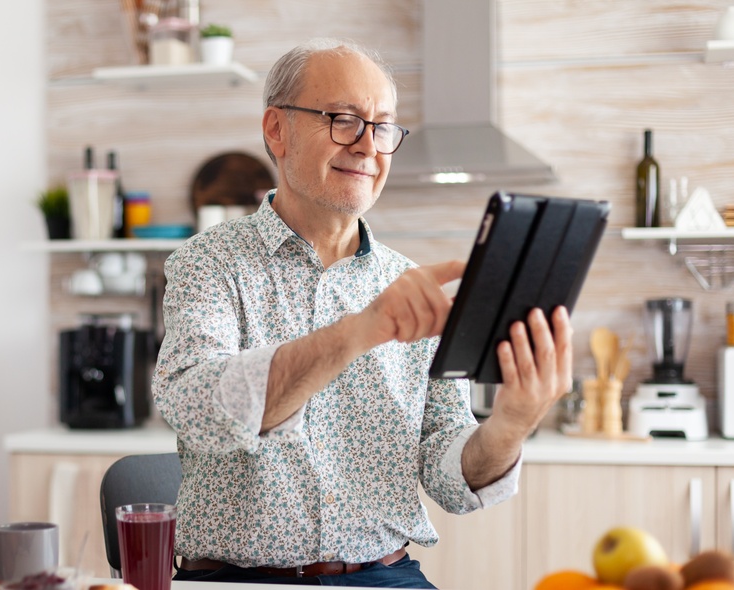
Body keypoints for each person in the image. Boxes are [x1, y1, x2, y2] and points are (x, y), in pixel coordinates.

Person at [152, 37, 572, 588]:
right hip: (241, 579)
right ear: (276, 129)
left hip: (385, 576)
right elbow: (196, 409)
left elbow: (449, 473)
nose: (368, 147)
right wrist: (361, 330)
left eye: (382, 127)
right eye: (344, 120)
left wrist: (512, 424)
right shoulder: (208, 264)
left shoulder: (408, 283)